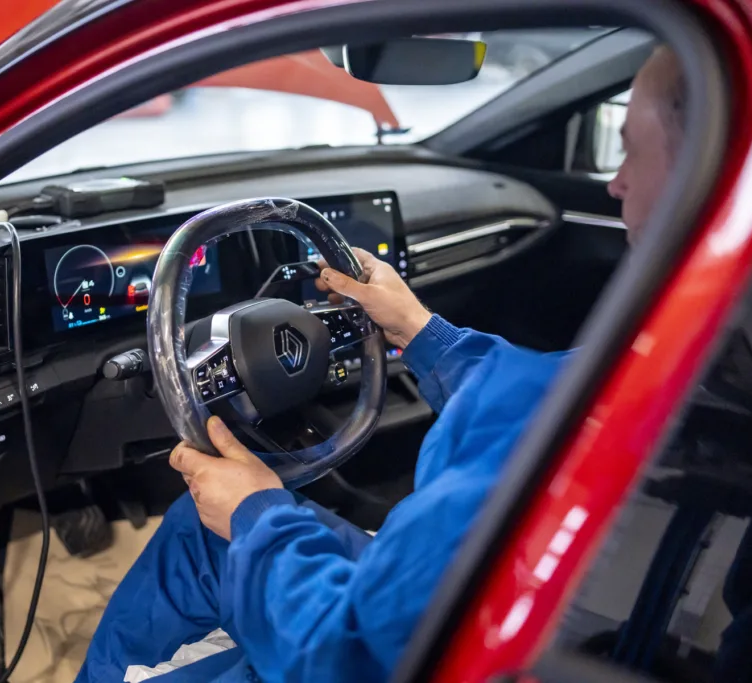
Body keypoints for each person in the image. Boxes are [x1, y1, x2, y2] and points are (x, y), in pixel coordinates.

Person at [77, 47, 686, 683]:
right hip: (520, 617)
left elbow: (348, 656)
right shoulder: (691, 358)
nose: (615, 182)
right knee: (201, 529)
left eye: (631, 151)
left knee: (231, 534)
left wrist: (255, 513)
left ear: (700, 169)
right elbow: (540, 397)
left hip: (396, 652)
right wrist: (422, 331)